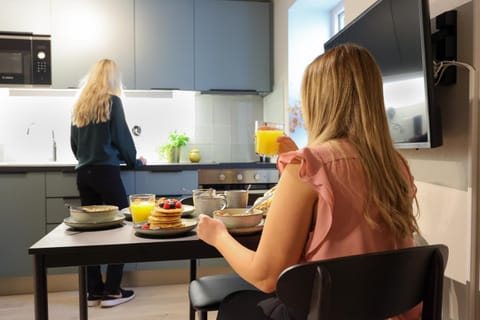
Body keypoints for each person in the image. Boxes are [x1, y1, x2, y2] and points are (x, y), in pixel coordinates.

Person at [196, 43, 420, 319]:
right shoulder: (395, 166)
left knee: (234, 306)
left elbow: (265, 276)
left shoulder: (306, 167)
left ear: (317, 102)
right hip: (386, 312)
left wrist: (217, 235)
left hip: (324, 311)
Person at [70, 59, 146, 308]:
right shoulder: (113, 102)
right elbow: (123, 140)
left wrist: (86, 159)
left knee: (89, 233)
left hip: (84, 175)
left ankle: (93, 290)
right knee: (124, 226)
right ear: (113, 79)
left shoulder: (80, 105)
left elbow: (74, 144)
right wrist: (134, 162)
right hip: (106, 173)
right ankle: (112, 290)